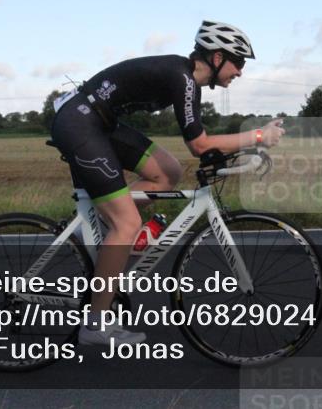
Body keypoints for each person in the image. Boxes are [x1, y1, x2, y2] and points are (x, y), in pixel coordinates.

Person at [49, 20, 285, 346]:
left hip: (98, 122)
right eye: (239, 62)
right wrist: (258, 135)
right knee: (128, 222)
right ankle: (96, 323)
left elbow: (199, 147)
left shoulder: (187, 80)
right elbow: (200, 145)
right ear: (217, 58)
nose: (241, 71)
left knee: (168, 172)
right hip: (80, 123)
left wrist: (247, 144)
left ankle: (102, 225)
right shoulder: (183, 78)